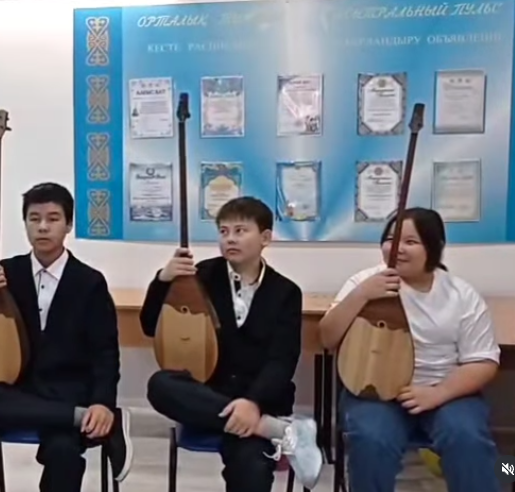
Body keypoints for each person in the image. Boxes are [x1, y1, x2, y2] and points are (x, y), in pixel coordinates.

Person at [0, 182, 132, 492]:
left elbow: (105, 352)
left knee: (64, 452)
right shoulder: (5, 274)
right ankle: (76, 418)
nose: (43, 227)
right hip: (20, 391)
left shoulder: (89, 281)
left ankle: (78, 416)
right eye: (34, 219)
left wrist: (102, 402)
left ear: (68, 224)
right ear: (25, 224)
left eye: (53, 218)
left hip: (68, 391)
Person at [141, 196, 323, 490]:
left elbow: (282, 360)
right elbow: (151, 326)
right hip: (209, 398)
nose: (230, 239)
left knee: (251, 469)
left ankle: (260, 424)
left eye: (240, 231)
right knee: (160, 385)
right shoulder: (200, 276)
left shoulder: (285, 292)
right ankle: (276, 430)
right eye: (224, 231)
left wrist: (252, 403)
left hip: (260, 400)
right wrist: (163, 280)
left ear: (265, 238)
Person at [318, 207, 500, 492]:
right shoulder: (364, 283)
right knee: (371, 439)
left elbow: (483, 361)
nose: (397, 248)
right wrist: (361, 295)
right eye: (391, 239)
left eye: (410, 242)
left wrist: (438, 393)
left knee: (467, 437)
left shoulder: (461, 295)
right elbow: (327, 338)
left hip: (444, 391)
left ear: (434, 247)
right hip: (375, 392)